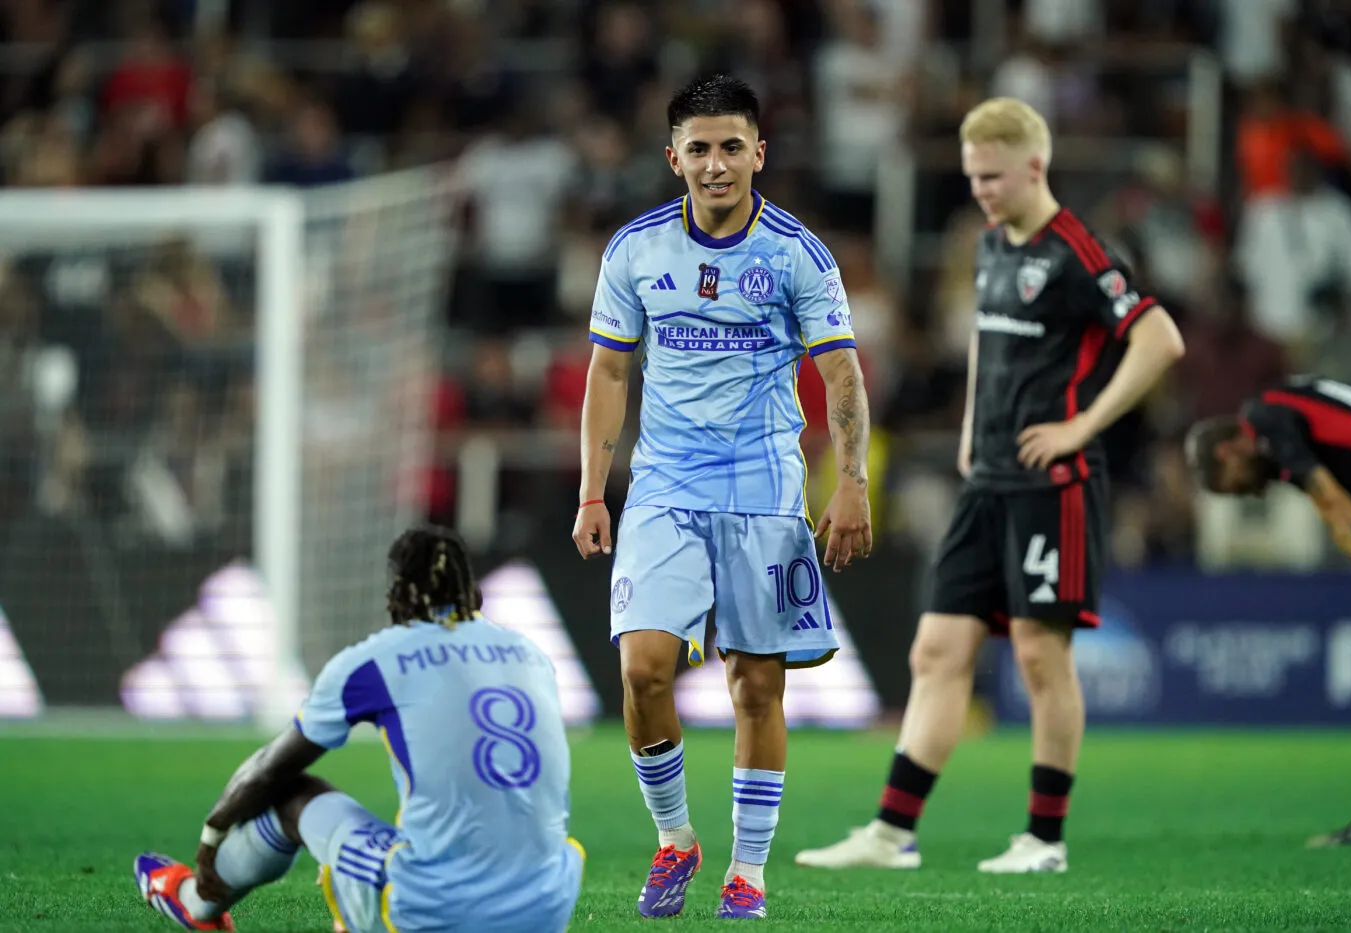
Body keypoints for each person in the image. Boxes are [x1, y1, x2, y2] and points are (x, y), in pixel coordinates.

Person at [794, 97, 1185, 874]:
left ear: (1034, 165)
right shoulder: (988, 245)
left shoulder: (1076, 250)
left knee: (1042, 655)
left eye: (992, 177)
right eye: (972, 177)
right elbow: (984, 340)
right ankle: (890, 832)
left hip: (1055, 481)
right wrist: (974, 425)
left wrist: (1083, 426)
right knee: (937, 649)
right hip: (989, 479)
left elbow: (1159, 338)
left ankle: (1044, 838)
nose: (979, 190)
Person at [571, 73, 873, 919]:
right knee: (641, 669)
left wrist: (849, 481)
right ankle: (676, 840)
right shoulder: (634, 250)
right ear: (674, 157)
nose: (715, 164)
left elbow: (840, 370)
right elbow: (608, 367)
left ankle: (747, 870)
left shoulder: (797, 254)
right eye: (699, 148)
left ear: (759, 154)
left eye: (731, 147)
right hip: (664, 483)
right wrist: (595, 489)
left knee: (755, 686)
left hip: (764, 486)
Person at [133, 524, 584, 932]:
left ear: (397, 596)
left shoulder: (374, 662)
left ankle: (195, 902)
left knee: (290, 794)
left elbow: (269, 770)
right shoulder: (532, 656)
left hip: (440, 911)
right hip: (548, 904)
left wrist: (212, 837)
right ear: (476, 593)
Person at [1185, 374, 1351, 846]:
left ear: (1229, 451)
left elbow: (1337, 508)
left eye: (1234, 487)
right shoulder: (1278, 414)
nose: (1250, 495)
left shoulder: (1266, 421)